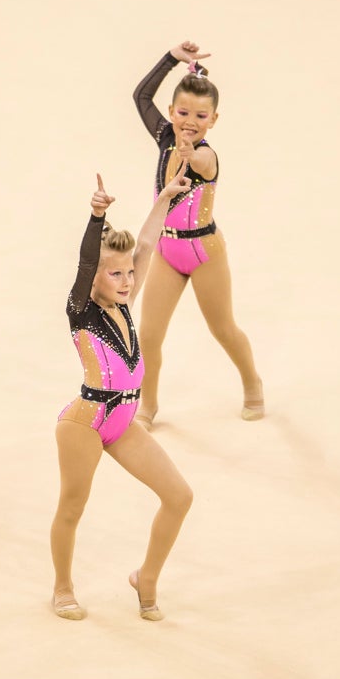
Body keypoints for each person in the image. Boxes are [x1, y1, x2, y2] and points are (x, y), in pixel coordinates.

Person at [51, 171, 194, 621]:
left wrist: (167, 198)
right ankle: (62, 587)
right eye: (115, 273)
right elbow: (85, 263)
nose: (128, 279)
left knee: (179, 496)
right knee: (73, 506)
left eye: (130, 272)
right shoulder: (82, 310)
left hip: (122, 423)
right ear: (95, 274)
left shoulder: (125, 302)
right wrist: (97, 217)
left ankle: (146, 577)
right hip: (84, 423)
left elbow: (146, 246)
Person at [130, 40, 264, 429]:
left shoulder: (207, 154)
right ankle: (148, 406)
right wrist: (172, 58)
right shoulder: (164, 135)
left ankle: (253, 383)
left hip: (205, 252)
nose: (190, 121)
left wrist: (191, 153)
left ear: (214, 120)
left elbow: (203, 163)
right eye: (183, 112)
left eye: (200, 115)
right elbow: (141, 95)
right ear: (171, 111)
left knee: (223, 329)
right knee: (149, 335)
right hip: (167, 251)